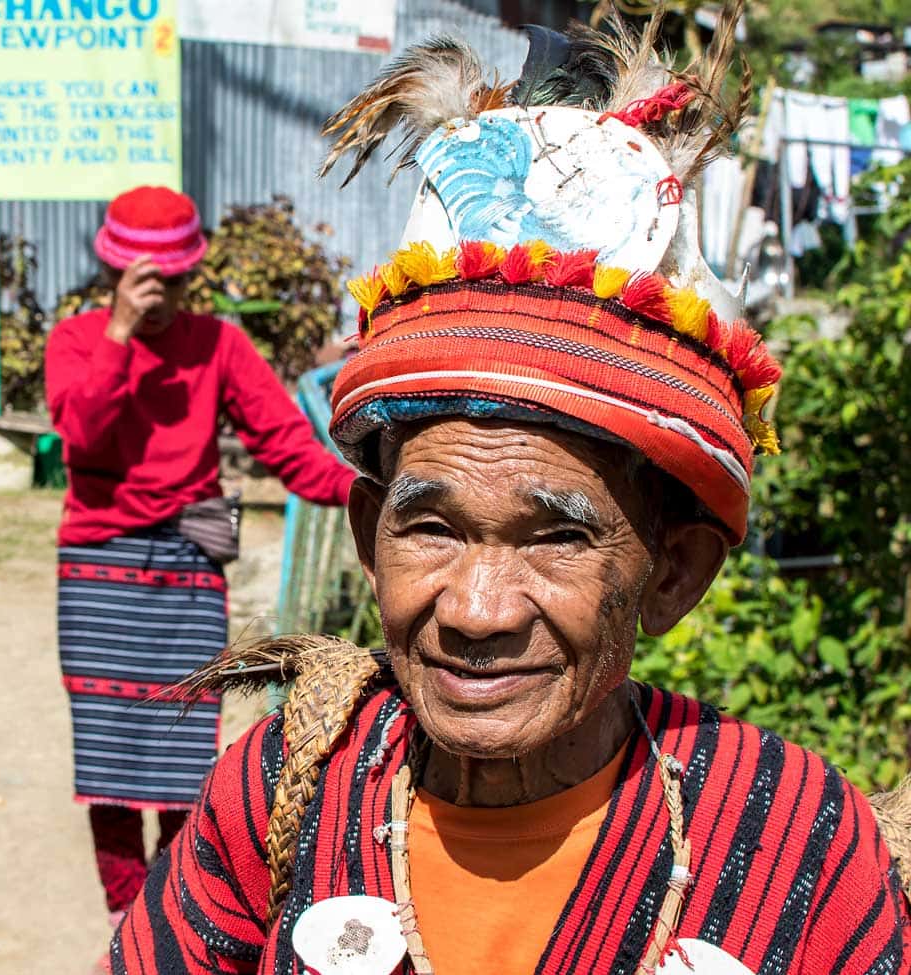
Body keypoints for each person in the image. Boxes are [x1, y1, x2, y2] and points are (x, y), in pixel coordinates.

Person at [112, 8, 909, 974]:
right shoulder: (287, 789)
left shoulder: (792, 845)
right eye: (432, 529)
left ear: (674, 574)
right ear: (370, 538)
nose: (475, 611)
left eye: (555, 539)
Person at [45, 186, 358, 931]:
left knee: (187, 762)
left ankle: (169, 906)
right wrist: (120, 334)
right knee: (111, 763)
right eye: (144, 281)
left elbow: (287, 447)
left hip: (188, 568)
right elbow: (82, 441)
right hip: (98, 571)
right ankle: (126, 915)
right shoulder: (77, 339)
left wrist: (367, 490)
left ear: (192, 276)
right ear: (113, 273)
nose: (161, 296)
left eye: (175, 281)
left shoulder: (219, 345)